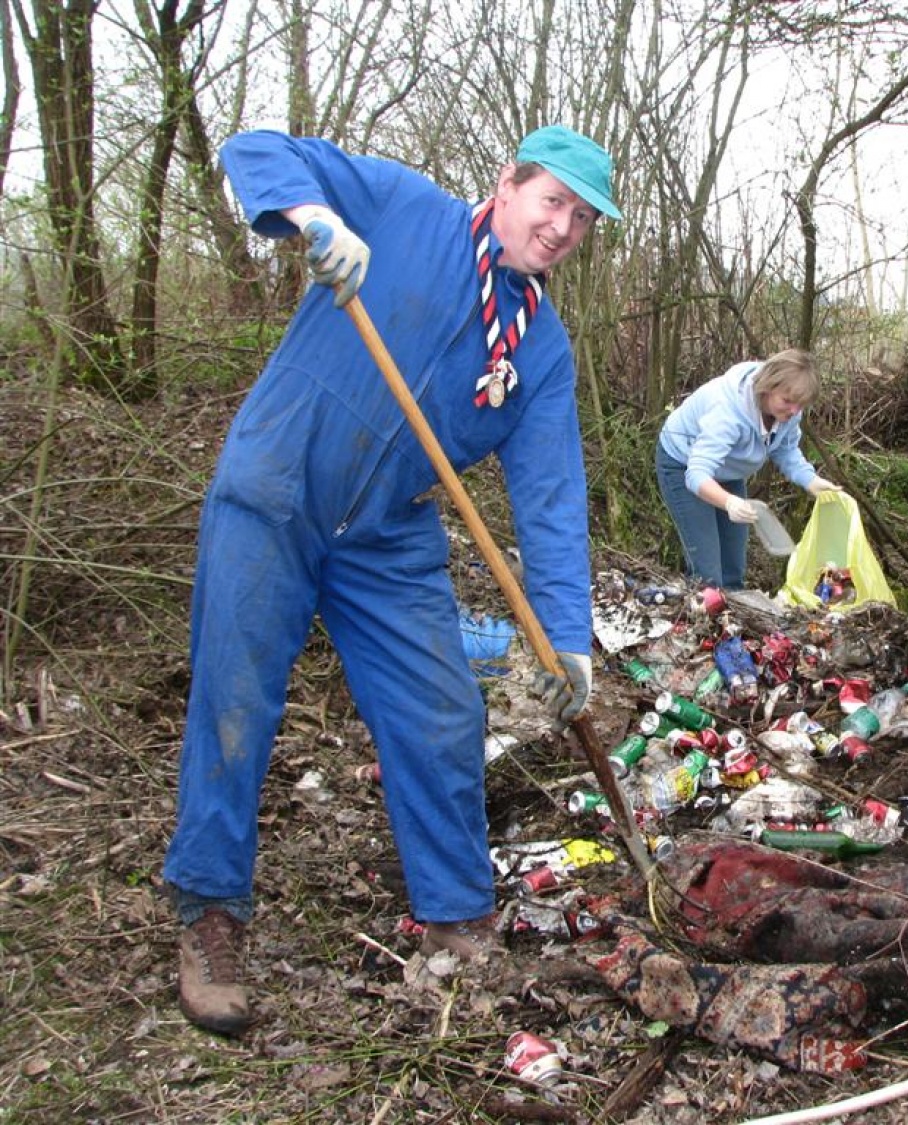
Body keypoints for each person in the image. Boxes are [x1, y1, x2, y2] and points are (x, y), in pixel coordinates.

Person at [162, 125, 620, 1036]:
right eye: (552, 201)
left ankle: (455, 911)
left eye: (581, 217)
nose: (563, 226)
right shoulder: (403, 210)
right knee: (236, 697)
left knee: (445, 709)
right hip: (277, 487)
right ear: (507, 184)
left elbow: (552, 498)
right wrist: (313, 216)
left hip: (388, 535)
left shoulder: (540, 349)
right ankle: (210, 910)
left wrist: (565, 634)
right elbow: (255, 147)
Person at [655, 350, 841, 589]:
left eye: (800, 404)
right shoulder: (727, 412)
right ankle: (704, 616)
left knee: (733, 566)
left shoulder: (789, 410)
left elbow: (784, 449)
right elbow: (697, 474)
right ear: (767, 387)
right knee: (707, 571)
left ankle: (731, 619)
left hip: (729, 470)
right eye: (787, 401)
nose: (795, 411)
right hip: (683, 463)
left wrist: (810, 480)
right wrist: (729, 503)